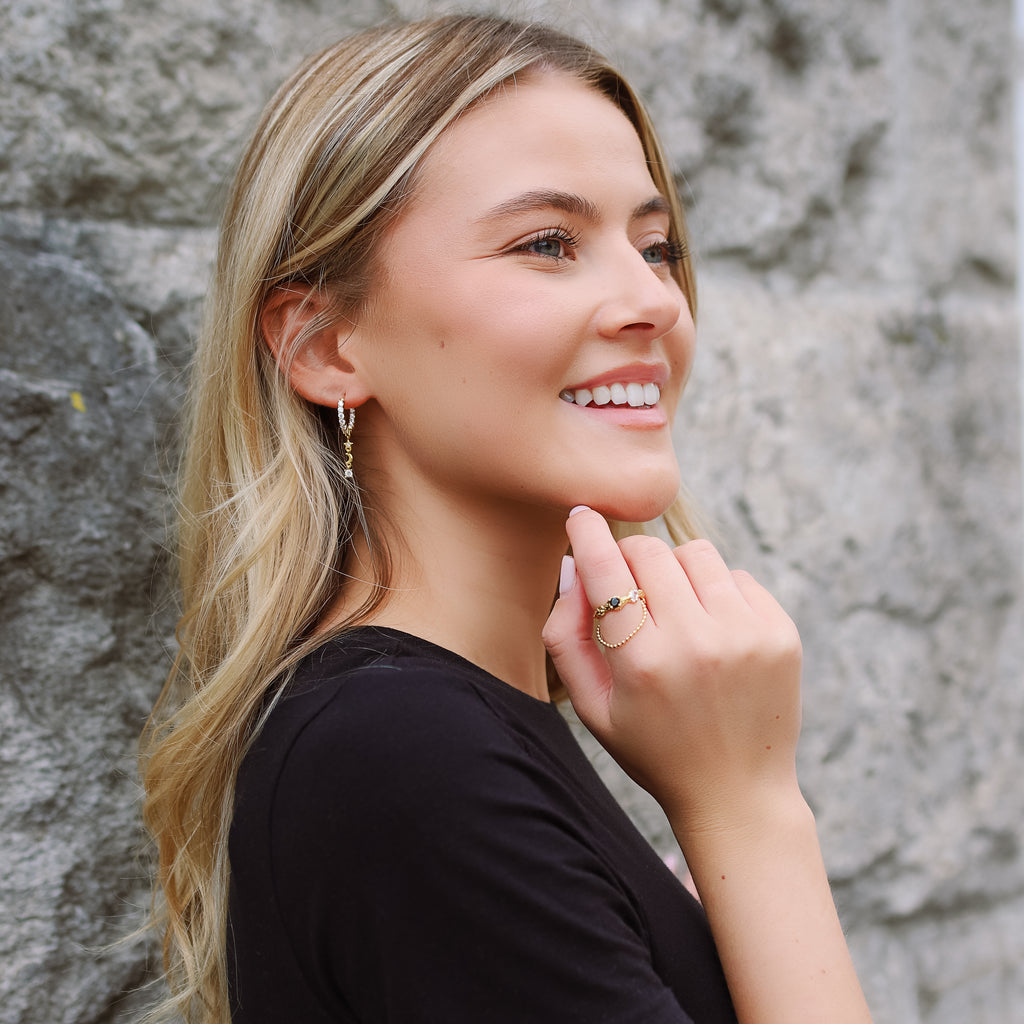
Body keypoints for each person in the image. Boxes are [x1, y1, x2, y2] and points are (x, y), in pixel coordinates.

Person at [140, 13, 873, 1024]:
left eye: (656, 246)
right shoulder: (401, 754)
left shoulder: (450, 730)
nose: (654, 301)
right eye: (546, 243)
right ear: (323, 346)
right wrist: (750, 815)